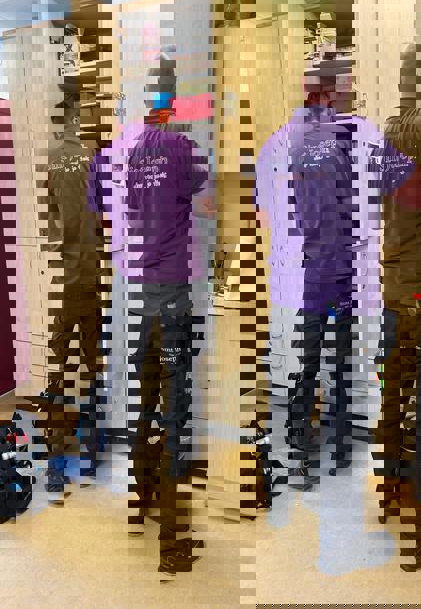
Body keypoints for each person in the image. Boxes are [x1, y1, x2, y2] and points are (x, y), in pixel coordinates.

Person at [100, 50, 213, 581]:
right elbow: (207, 205)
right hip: (173, 298)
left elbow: (106, 212)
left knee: (144, 404)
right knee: (174, 417)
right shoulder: (182, 148)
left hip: (136, 299)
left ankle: (140, 500)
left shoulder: (120, 150)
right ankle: (173, 543)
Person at [255, 62, 359, 491]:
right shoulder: (348, 138)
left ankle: (299, 458)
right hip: (342, 273)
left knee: (307, 365)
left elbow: (266, 216)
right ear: (329, 93)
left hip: (304, 276)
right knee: (341, 365)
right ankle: (339, 451)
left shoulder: (280, 142)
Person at [371, 42, 421, 572]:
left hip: (391, 292)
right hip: (420, 294)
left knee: (391, 401)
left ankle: (389, 496)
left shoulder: (385, 136)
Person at [41, 89, 106, 503]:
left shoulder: (50, 158)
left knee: (59, 370)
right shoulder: (93, 155)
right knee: (93, 366)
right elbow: (104, 214)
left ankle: (55, 464)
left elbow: (50, 218)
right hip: (91, 278)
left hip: (65, 282)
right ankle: (93, 454)